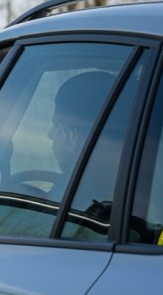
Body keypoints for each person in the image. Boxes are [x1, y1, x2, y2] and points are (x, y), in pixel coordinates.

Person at [44, 71, 115, 199]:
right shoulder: (126, 177)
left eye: (57, 127)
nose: (50, 134)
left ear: (72, 137)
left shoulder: (73, 190)